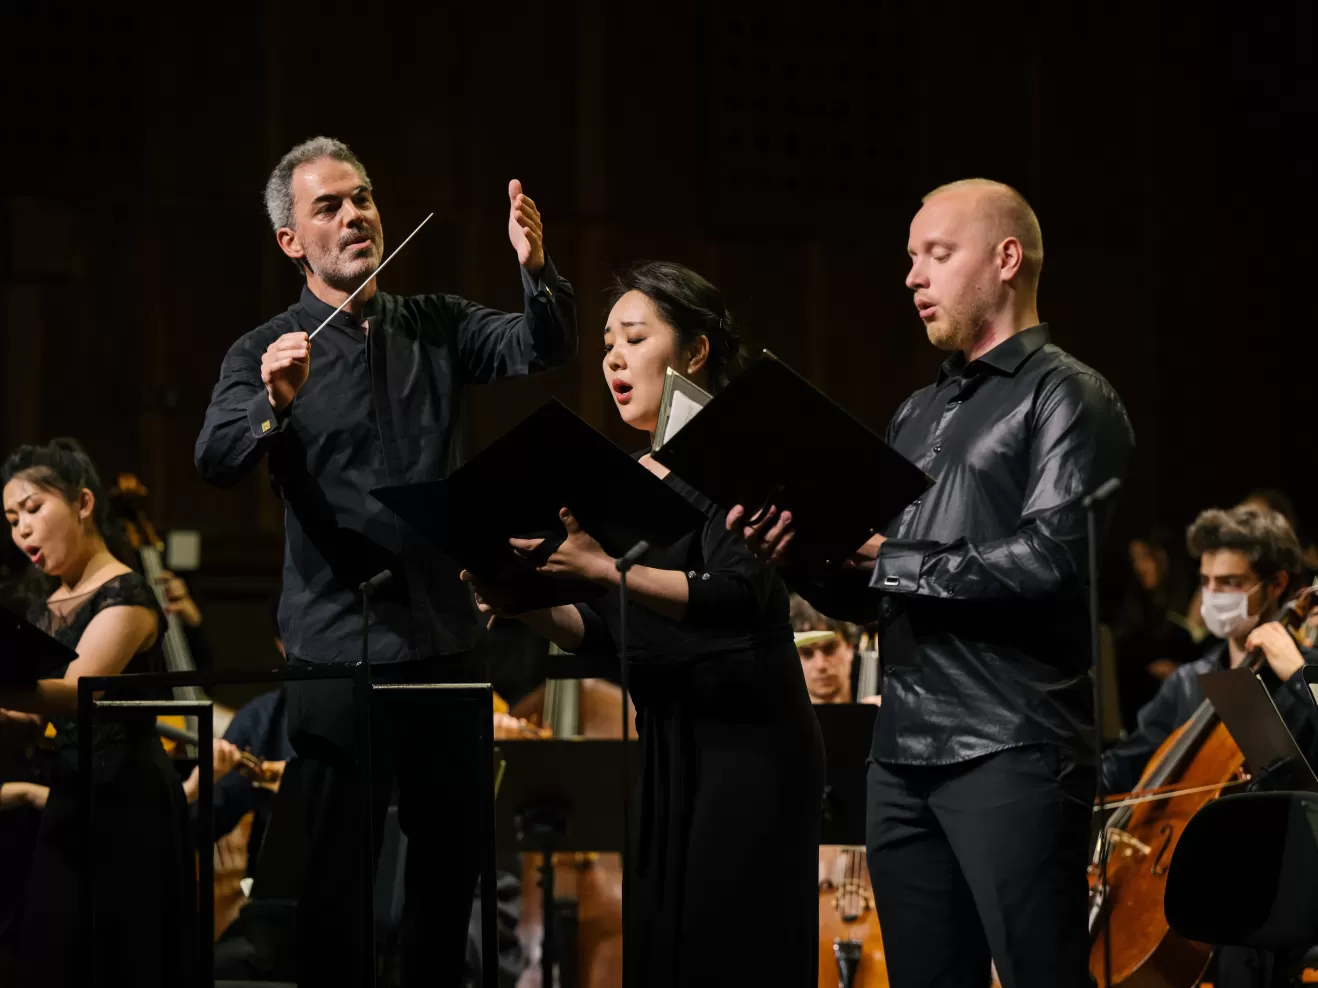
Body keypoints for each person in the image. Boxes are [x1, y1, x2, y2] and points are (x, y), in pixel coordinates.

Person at [729, 179, 1135, 988]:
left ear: (1006, 259)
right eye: (911, 259)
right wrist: (804, 555)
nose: (913, 276)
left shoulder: (1068, 393)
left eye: (937, 255)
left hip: (1011, 744)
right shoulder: (916, 411)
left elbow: (1054, 559)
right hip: (903, 751)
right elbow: (876, 591)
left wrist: (888, 559)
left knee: (1039, 974)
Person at [195, 136, 577, 986]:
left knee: (450, 881)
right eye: (327, 205)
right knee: (335, 885)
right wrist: (271, 401)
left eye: (361, 197)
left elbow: (538, 347)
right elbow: (215, 458)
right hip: (336, 652)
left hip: (444, 644)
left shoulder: (435, 322)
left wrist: (536, 268)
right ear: (292, 241)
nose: (354, 214)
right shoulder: (266, 348)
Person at [464, 261, 826, 987]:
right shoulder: (624, 476)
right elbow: (606, 634)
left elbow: (740, 595)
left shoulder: (742, 453)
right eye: (606, 344)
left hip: (747, 745)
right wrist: (525, 600)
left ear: (694, 353)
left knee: (732, 956)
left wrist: (607, 571)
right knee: (661, 952)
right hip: (667, 744)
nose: (613, 359)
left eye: (634, 337)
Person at [0, 439, 195, 986]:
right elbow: (33, 723)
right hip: (72, 797)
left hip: (128, 801)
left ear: (83, 504)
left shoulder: (126, 594)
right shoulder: (46, 605)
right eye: (12, 519)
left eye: (33, 509)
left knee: (120, 962)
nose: (22, 531)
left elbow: (76, 692)